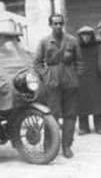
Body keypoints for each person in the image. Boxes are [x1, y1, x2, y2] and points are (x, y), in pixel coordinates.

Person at [34, 13, 83, 158]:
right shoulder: (44, 41)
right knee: (52, 115)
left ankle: (67, 146)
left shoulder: (72, 41)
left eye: (60, 23)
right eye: (55, 23)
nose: (58, 26)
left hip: (70, 82)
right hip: (52, 82)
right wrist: (46, 75)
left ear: (63, 24)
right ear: (50, 25)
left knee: (70, 114)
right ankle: (49, 144)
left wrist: (75, 76)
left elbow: (79, 61)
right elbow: (37, 63)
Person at [77, 26, 101, 135]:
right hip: (81, 78)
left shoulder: (98, 46)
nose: (85, 37)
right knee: (82, 103)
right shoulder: (76, 47)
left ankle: (99, 126)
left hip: (96, 78)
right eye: (83, 34)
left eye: (87, 34)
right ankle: (83, 127)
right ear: (80, 36)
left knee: (98, 103)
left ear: (92, 35)